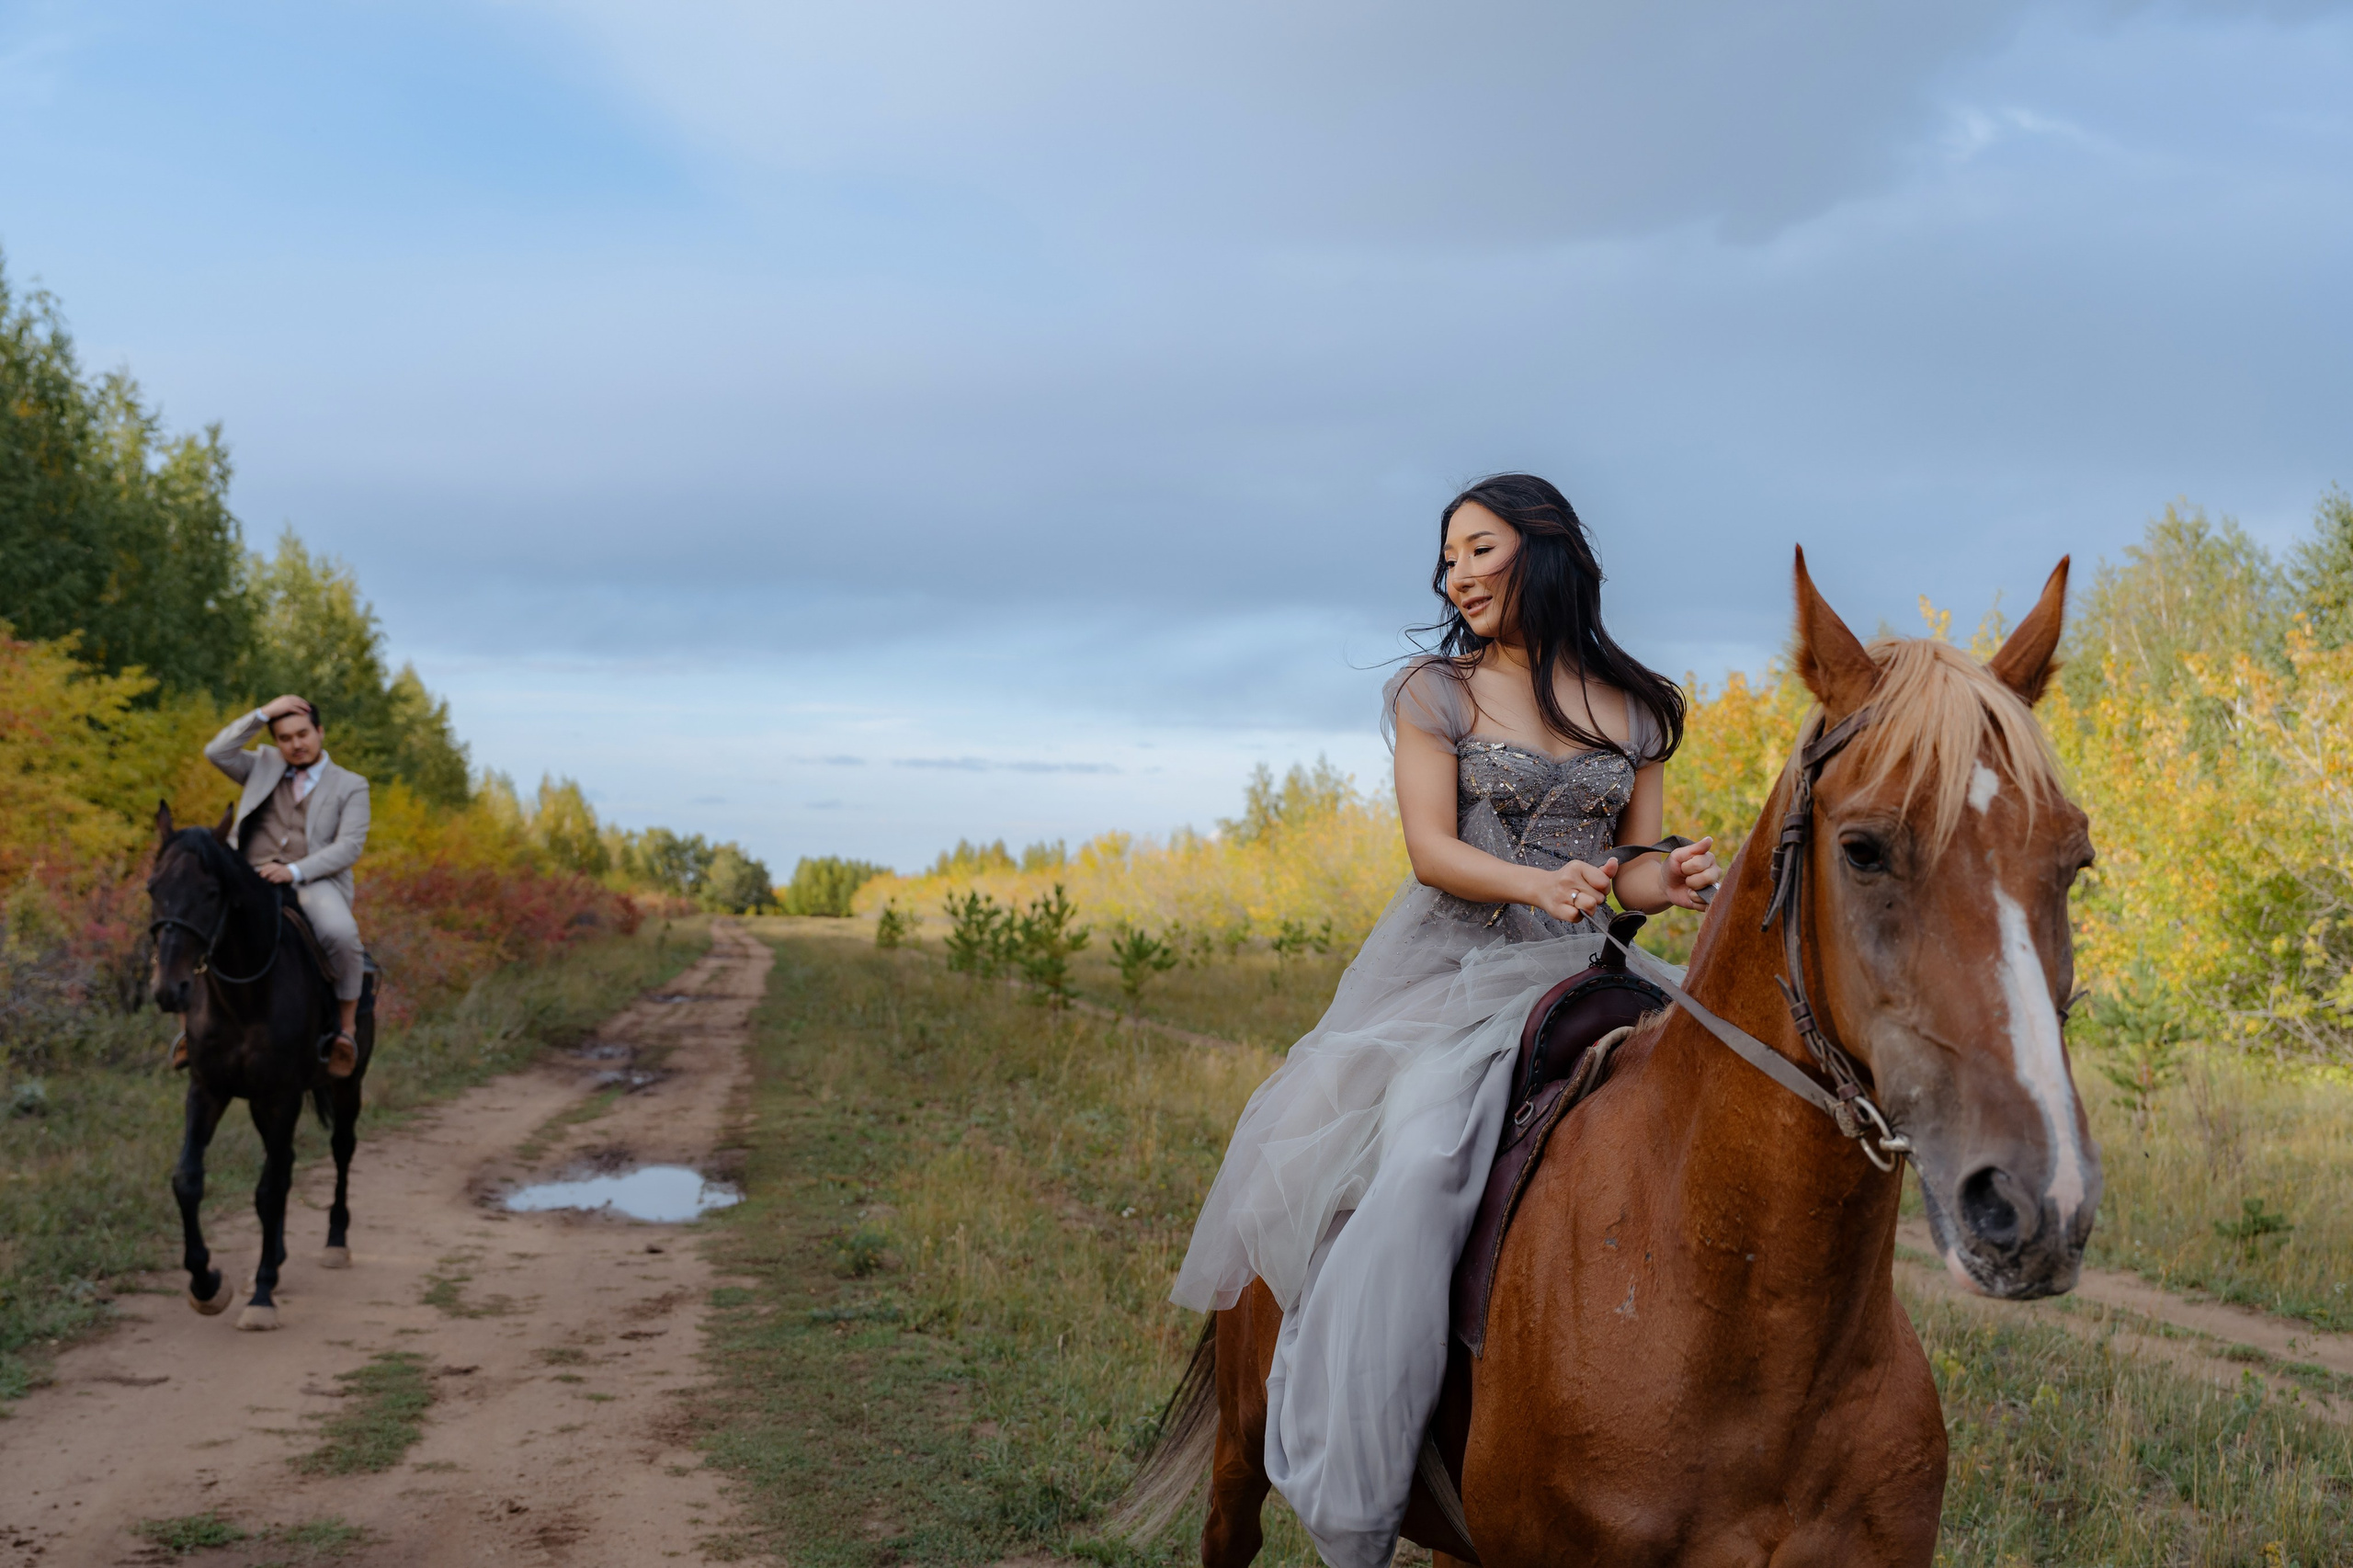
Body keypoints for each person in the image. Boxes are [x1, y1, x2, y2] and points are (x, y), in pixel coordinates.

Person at [1169, 474, 1722, 1568]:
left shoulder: (1641, 703)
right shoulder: (1436, 692)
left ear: (1545, 548)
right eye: (1449, 557)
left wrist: (1676, 873)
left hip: (1590, 974)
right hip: (1454, 969)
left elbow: (1634, 872)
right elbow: (1429, 849)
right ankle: (1363, 1470)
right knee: (1422, 1159)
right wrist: (1540, 887)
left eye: (1480, 549)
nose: (1457, 573)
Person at [185, 694, 373, 1078]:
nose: (296, 744)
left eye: (303, 734)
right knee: (192, 919)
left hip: (310, 880)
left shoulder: (351, 785)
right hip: (246, 874)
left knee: (341, 933)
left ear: (320, 732)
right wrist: (262, 713)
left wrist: (295, 872)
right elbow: (216, 751)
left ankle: (347, 1029)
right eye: (285, 737)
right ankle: (192, 1028)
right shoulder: (262, 765)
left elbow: (349, 847)